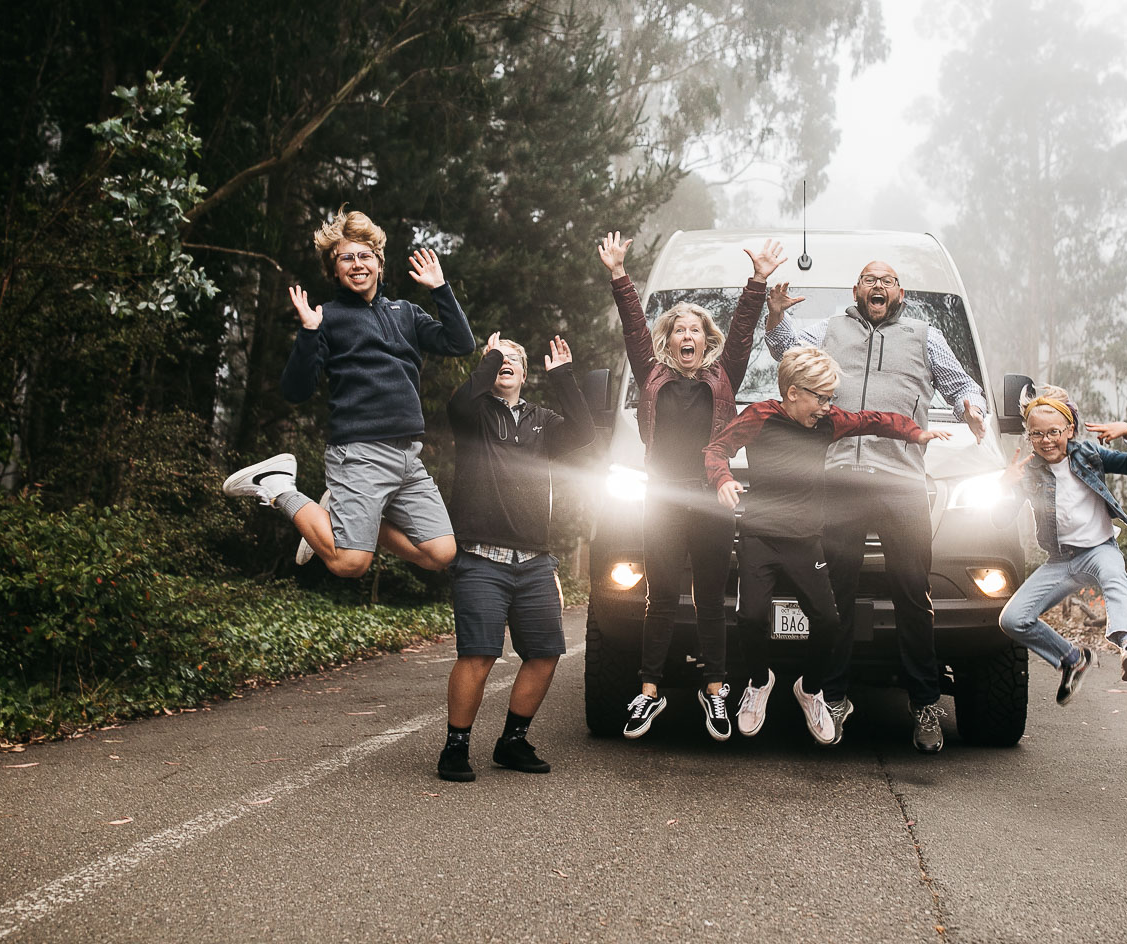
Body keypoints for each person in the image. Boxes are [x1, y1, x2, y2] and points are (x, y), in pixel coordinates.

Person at [764, 261, 988, 753]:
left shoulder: (924, 335)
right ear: (856, 289)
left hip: (903, 483)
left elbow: (961, 383)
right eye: (870, 279)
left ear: (900, 292)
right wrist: (775, 315)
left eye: (887, 280)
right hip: (841, 480)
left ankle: (925, 702)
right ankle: (835, 698)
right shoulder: (830, 329)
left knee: (912, 592)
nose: (878, 286)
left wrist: (972, 406)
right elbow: (789, 352)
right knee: (837, 593)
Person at [703, 346, 950, 744]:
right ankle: (758, 683)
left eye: (831, 398)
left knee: (831, 624)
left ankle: (810, 689)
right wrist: (723, 479)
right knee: (749, 618)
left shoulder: (828, 422)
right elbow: (716, 449)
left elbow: (873, 420)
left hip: (804, 540)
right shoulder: (760, 417)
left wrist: (915, 432)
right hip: (760, 535)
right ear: (794, 392)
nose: (828, 406)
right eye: (821, 397)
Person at [600, 231, 783, 742]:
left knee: (709, 599)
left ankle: (716, 689)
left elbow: (744, 331)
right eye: (678, 329)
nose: (686, 335)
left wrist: (758, 280)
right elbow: (634, 328)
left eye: (695, 330)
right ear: (669, 339)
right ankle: (650, 692)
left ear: (706, 341)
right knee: (659, 597)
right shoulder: (652, 375)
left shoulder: (725, 376)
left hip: (709, 498)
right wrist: (619, 273)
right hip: (661, 497)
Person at [222, 210, 475, 576]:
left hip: (408, 456)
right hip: (359, 454)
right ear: (335, 270)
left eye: (365, 256)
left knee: (440, 553)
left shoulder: (405, 312)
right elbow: (296, 391)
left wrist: (440, 289)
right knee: (350, 563)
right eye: (347, 258)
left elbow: (460, 343)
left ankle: (333, 516)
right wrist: (309, 333)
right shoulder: (328, 317)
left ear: (378, 263)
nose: (357, 265)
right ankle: (277, 486)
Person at [437, 333, 596, 782]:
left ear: (526, 374)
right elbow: (460, 404)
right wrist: (487, 360)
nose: (505, 363)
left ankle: (512, 742)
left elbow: (584, 431)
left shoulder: (542, 422)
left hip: (534, 560)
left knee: (545, 653)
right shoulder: (475, 415)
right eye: (498, 358)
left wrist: (563, 375)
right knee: (479, 655)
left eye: (514, 360)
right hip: (480, 558)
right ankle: (455, 747)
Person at [996, 386, 1127, 707]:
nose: (1046, 441)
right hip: (1060, 561)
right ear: (1028, 437)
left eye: (1054, 432)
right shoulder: (1028, 472)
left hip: (1099, 549)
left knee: (1115, 578)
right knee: (1012, 620)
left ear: (1069, 430)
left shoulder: (1090, 455)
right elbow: (1000, 522)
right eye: (1036, 434)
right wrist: (1005, 487)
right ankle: (1072, 658)